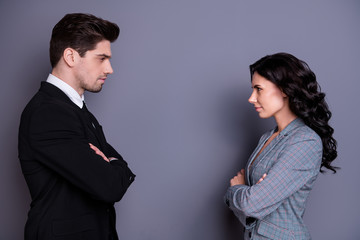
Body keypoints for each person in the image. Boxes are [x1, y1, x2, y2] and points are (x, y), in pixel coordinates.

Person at [18, 13, 135, 240]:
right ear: (70, 56)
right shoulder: (49, 113)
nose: (109, 69)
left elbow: (112, 175)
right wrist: (113, 164)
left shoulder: (74, 109)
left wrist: (112, 164)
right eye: (101, 58)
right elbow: (110, 185)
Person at [224, 53, 337, 239]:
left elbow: (251, 204)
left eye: (258, 89)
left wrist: (237, 189)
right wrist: (250, 195)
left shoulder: (306, 142)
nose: (251, 98)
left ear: (284, 89)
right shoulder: (267, 137)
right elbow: (252, 209)